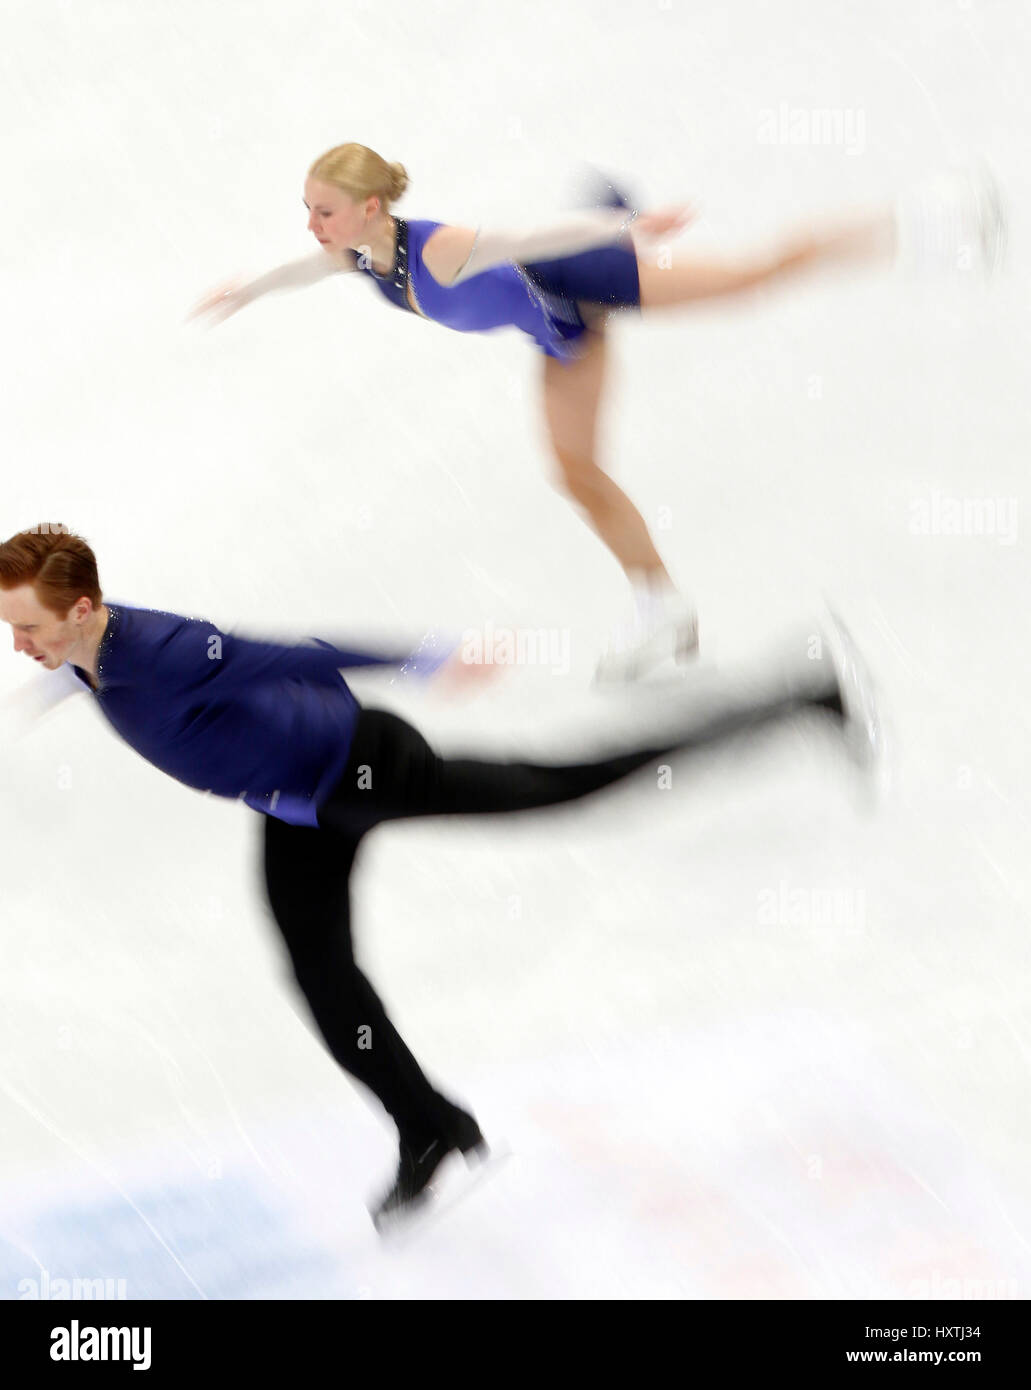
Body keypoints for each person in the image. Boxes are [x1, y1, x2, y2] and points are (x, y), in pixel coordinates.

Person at [0, 524, 878, 1229]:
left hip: (365, 770)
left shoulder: (166, 651)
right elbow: (102, 677)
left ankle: (798, 696)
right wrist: (54, 687)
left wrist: (425, 656)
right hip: (299, 805)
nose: (17, 644)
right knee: (320, 973)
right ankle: (431, 1129)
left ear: (81, 609)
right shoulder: (92, 654)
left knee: (571, 785)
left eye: (29, 629)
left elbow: (296, 653)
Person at [190, 144, 1002, 680]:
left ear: (370, 208)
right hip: (560, 332)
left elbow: (528, 235)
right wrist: (248, 288)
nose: (311, 222)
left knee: (752, 276)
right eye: (307, 207)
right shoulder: (354, 255)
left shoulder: (435, 246)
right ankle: (665, 610)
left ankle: (928, 219)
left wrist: (622, 226)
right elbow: (303, 267)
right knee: (574, 470)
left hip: (587, 279)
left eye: (322, 209)